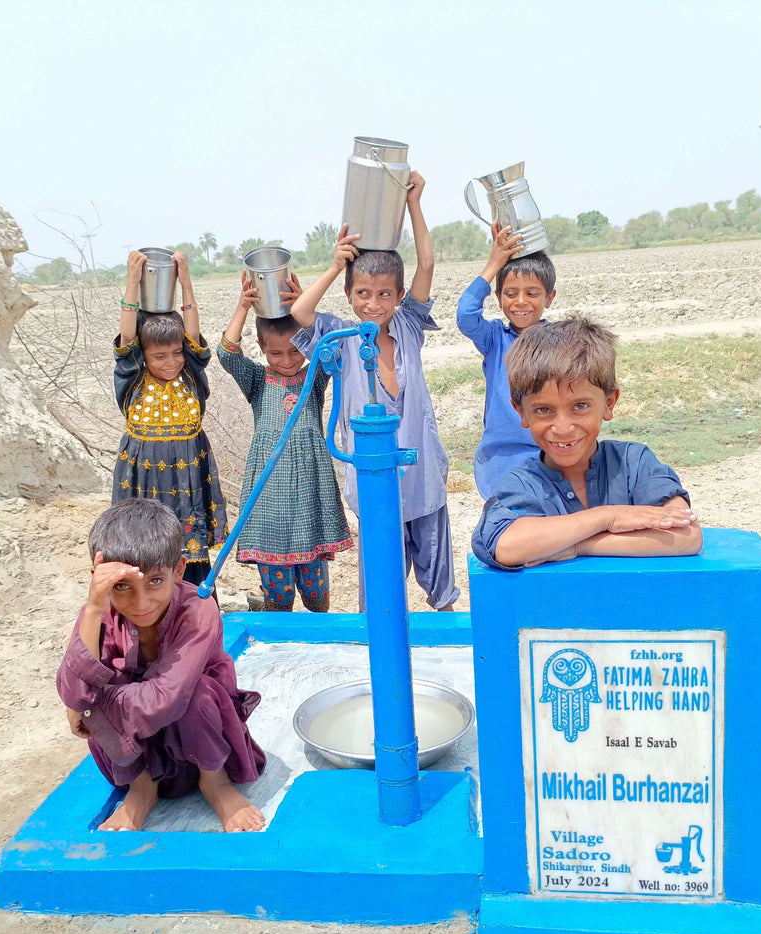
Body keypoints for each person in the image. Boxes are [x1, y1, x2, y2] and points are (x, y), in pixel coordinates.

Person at [291, 171, 459, 611]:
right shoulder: (341, 337)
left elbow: (426, 265)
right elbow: (299, 311)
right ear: (349, 295)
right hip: (374, 481)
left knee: (440, 584)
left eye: (385, 294)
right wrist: (334, 265)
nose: (373, 303)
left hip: (422, 475)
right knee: (381, 590)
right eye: (363, 292)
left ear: (399, 296)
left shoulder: (408, 326)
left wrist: (414, 204)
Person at [56, 499, 266, 832]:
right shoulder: (99, 614)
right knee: (89, 694)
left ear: (179, 570)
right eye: (121, 586)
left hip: (200, 738)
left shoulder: (198, 611)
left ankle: (216, 784)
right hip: (134, 753)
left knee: (196, 693)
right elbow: (73, 692)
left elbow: (165, 698)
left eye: (155, 581)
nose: (140, 603)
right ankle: (141, 789)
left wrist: (93, 706)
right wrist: (95, 608)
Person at [472, 317, 702, 568]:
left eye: (580, 406)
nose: (563, 428)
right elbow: (506, 546)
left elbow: (686, 536)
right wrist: (608, 517)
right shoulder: (521, 483)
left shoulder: (633, 464)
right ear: (521, 413)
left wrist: (576, 545)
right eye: (543, 410)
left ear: (609, 403)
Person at [217, 274, 352, 611]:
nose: (289, 360)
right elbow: (227, 354)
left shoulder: (314, 374)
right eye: (277, 353)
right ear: (262, 350)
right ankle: (275, 624)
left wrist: (304, 303)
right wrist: (243, 307)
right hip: (269, 495)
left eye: (296, 350)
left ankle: (318, 636)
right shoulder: (258, 380)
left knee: (316, 589)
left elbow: (332, 344)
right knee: (278, 592)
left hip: (310, 491)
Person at [112, 250, 228, 589]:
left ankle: (193, 620)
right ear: (142, 357)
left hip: (188, 479)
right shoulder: (132, 379)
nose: (171, 362)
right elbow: (127, 339)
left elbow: (192, 335)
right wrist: (133, 283)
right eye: (159, 356)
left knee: (190, 564)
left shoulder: (190, 375)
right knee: (143, 557)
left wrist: (185, 280)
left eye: (176, 352)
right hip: (144, 478)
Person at [456, 223, 557, 498]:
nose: (521, 301)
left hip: (551, 454)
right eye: (511, 294)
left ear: (549, 298)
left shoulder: (561, 343)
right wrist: (494, 263)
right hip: (501, 460)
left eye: (532, 293)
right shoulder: (494, 340)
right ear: (499, 297)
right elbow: (465, 315)